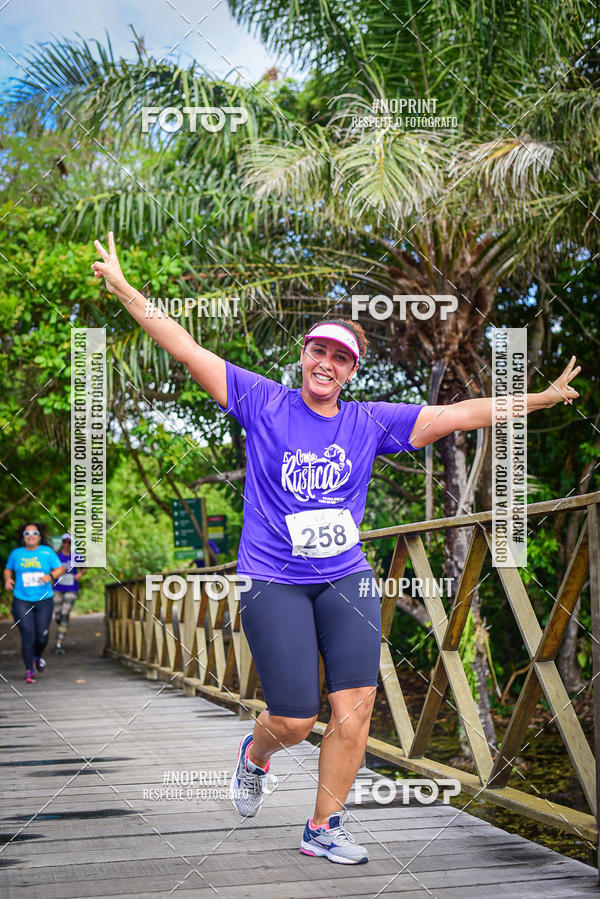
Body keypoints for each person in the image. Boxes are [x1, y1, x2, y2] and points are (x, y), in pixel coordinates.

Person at [91, 231, 581, 865]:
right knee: (294, 719)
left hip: (345, 577)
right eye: (318, 350)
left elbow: (461, 415)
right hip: (274, 578)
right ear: (304, 356)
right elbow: (185, 346)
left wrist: (537, 399)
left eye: (340, 357)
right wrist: (127, 289)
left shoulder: (369, 421)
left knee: (356, 706)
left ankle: (323, 827)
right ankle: (255, 753)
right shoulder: (260, 401)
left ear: (352, 370)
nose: (326, 363)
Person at [3, 523, 65, 683]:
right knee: (28, 633)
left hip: (44, 600)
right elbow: (8, 568)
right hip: (21, 599)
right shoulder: (17, 553)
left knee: (42, 637)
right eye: (27, 533)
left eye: (34, 533)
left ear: (39, 536)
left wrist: (50, 576)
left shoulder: (47, 552)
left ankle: (37, 656)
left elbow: (60, 568)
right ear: (23, 537)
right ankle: (29, 670)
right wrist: (8, 579)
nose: (31, 535)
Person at [53, 533, 86, 653]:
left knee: (65, 612)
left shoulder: (76, 556)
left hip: (71, 588)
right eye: (64, 542)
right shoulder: (56, 556)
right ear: (62, 543)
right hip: (58, 588)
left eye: (69, 542)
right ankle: (61, 627)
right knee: (58, 615)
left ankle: (59, 641)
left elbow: (84, 567)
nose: (66, 544)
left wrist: (80, 574)